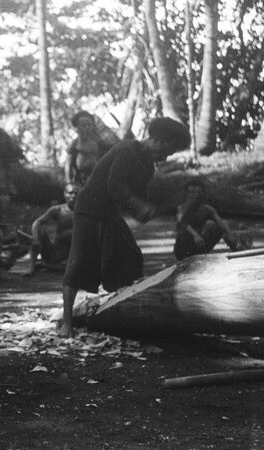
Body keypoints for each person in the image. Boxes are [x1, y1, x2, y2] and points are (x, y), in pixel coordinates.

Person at [59, 117, 191, 337]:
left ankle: (124, 314)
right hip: (88, 209)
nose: (165, 157)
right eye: (167, 150)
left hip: (110, 213)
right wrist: (141, 205)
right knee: (78, 262)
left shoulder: (147, 168)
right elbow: (115, 185)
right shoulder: (127, 148)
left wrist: (150, 209)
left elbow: (136, 203)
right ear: (157, 139)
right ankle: (67, 324)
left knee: (131, 258)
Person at [172, 177, 247, 261]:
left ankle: (238, 251)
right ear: (187, 193)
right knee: (185, 235)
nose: (195, 195)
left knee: (218, 228)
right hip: (183, 249)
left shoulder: (206, 209)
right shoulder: (181, 208)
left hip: (199, 245)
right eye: (192, 192)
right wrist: (195, 235)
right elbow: (182, 222)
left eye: (198, 192)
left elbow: (221, 223)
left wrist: (232, 236)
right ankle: (185, 260)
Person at [23, 182, 77, 276]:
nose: (73, 196)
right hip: (56, 253)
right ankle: (31, 267)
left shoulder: (84, 211)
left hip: (76, 254)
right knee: (40, 231)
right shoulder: (57, 210)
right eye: (70, 193)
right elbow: (37, 222)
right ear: (65, 194)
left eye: (77, 193)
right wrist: (35, 238)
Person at [65, 111, 112, 187]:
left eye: (89, 125)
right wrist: (68, 181)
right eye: (83, 125)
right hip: (79, 178)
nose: (87, 128)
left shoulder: (98, 142)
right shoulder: (75, 143)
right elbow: (68, 163)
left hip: (96, 177)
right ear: (77, 127)